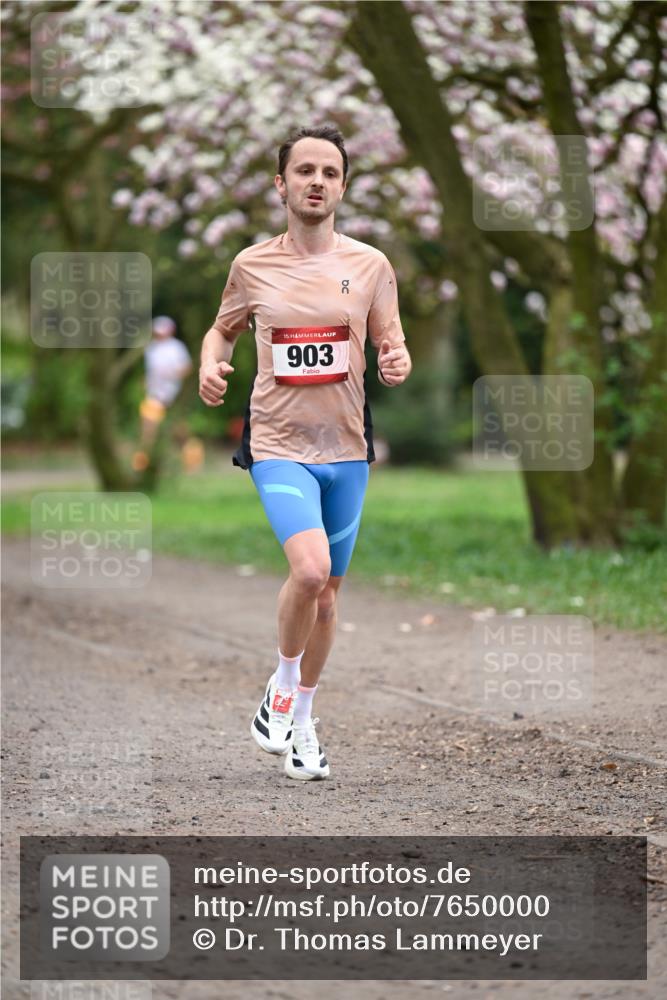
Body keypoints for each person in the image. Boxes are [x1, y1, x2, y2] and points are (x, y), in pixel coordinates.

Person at [198, 125, 411, 781]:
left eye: (329, 172)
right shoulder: (251, 265)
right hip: (277, 443)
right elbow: (221, 330)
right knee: (311, 570)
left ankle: (303, 724)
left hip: (345, 447)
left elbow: (390, 342)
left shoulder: (371, 265)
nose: (316, 181)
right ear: (281, 183)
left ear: (341, 185)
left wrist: (396, 357)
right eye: (305, 171)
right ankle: (283, 683)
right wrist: (212, 365)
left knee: (329, 594)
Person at [132, 315, 194, 472]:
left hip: (173, 392)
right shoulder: (151, 348)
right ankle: (143, 462)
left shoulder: (176, 347)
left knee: (178, 429)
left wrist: (171, 374)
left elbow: (186, 368)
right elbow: (150, 371)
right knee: (148, 426)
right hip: (155, 394)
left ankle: (191, 458)